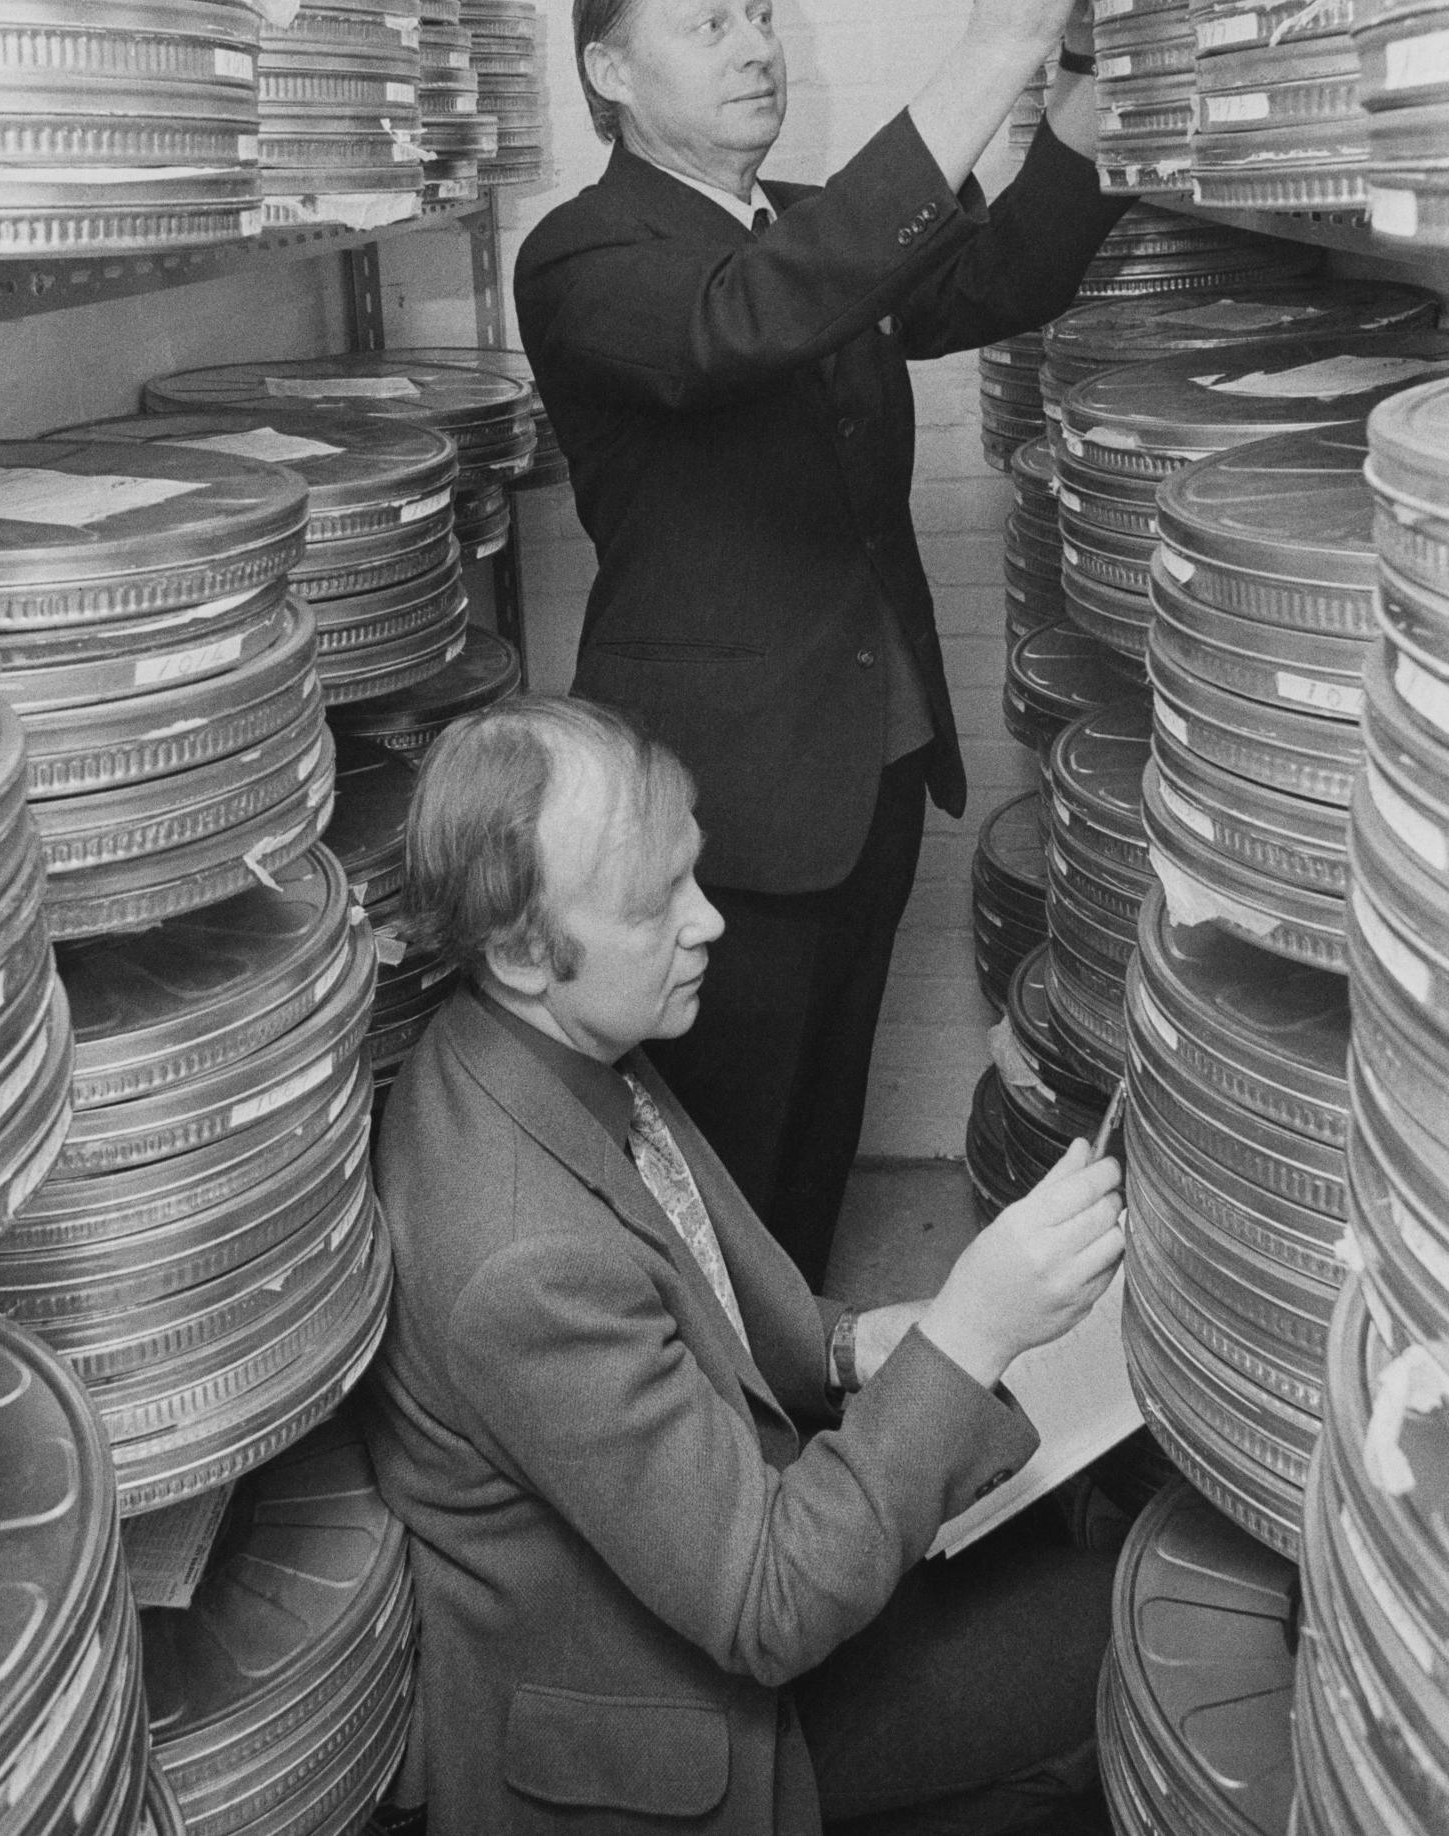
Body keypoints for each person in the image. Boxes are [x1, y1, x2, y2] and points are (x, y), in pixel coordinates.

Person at [513, 0, 1125, 1287]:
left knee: (821, 1117)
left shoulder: (798, 222)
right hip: (721, 799)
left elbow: (995, 281)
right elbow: (749, 326)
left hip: (873, 768)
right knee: (724, 1145)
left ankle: (800, 1396)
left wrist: (1081, 76)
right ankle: (723, 1442)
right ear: (608, 69)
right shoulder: (583, 254)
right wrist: (995, 41)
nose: (755, 48)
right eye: (709, 25)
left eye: (762, 17)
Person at [366, 694, 1126, 1836]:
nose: (709, 920)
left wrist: (848, 1342)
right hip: (690, 1718)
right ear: (523, 948)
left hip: (718, 1562)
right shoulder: (520, 1258)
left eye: (693, 873)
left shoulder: (532, 1044)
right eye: (655, 902)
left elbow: (688, 1286)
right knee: (1116, 1627)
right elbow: (769, 1605)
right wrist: (968, 1327)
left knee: (1057, 1513)